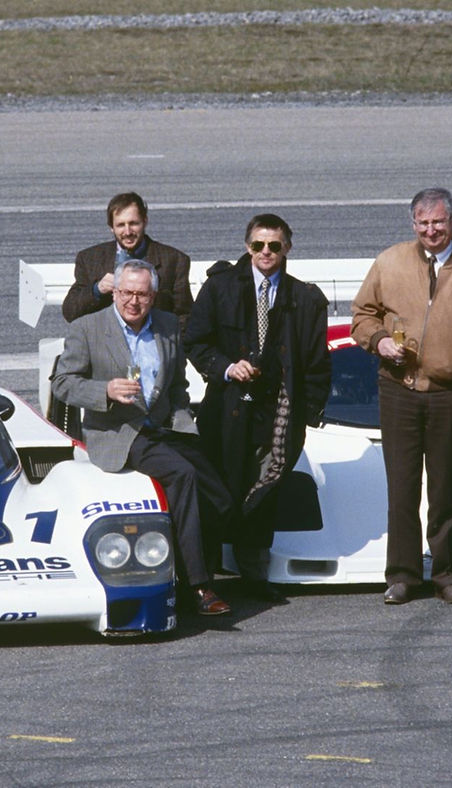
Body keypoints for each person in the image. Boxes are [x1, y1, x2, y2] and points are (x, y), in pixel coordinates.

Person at [52, 259, 233, 616]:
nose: (133, 302)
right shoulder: (88, 328)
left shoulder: (166, 325)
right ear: (114, 292)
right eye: (126, 293)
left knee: (220, 495)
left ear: (153, 296)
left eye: (142, 295)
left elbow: (177, 384)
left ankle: (192, 573)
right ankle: (199, 586)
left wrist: (185, 423)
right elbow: (63, 383)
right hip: (119, 431)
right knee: (182, 475)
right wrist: (104, 390)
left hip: (165, 425)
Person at [351, 189, 452, 606]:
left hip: (450, 392)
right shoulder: (390, 261)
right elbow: (362, 315)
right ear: (413, 224)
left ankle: (447, 573)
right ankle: (401, 574)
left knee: (447, 486)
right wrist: (378, 341)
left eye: (438, 222)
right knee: (402, 485)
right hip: (398, 389)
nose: (431, 230)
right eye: (423, 223)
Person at [184, 214, 329, 603]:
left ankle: (253, 574)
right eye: (258, 245)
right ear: (248, 246)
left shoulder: (306, 298)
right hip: (227, 407)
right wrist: (226, 368)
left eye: (275, 246)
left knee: (264, 488)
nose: (266, 252)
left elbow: (317, 361)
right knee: (218, 487)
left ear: (287, 248)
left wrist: (309, 410)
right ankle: (205, 577)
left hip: (278, 411)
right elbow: (194, 341)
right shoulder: (219, 288)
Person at [62, 192, 194, 327]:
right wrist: (97, 290)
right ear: (111, 227)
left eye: (133, 223)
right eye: (120, 225)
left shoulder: (174, 260)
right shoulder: (89, 259)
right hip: (105, 343)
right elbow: (70, 313)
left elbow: (185, 316)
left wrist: (166, 345)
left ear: (145, 221)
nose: (128, 231)